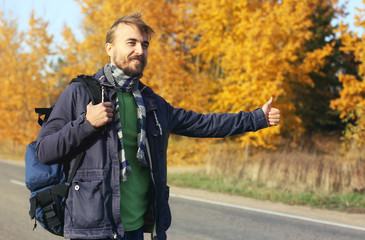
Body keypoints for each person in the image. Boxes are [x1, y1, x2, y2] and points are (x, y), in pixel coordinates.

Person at [36, 11, 280, 240]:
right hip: (94, 229)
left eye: (144, 45)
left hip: (136, 227)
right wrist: (86, 124)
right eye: (131, 43)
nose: (139, 51)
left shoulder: (152, 103)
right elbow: (44, 151)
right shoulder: (80, 93)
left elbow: (203, 123)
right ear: (110, 49)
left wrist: (256, 118)